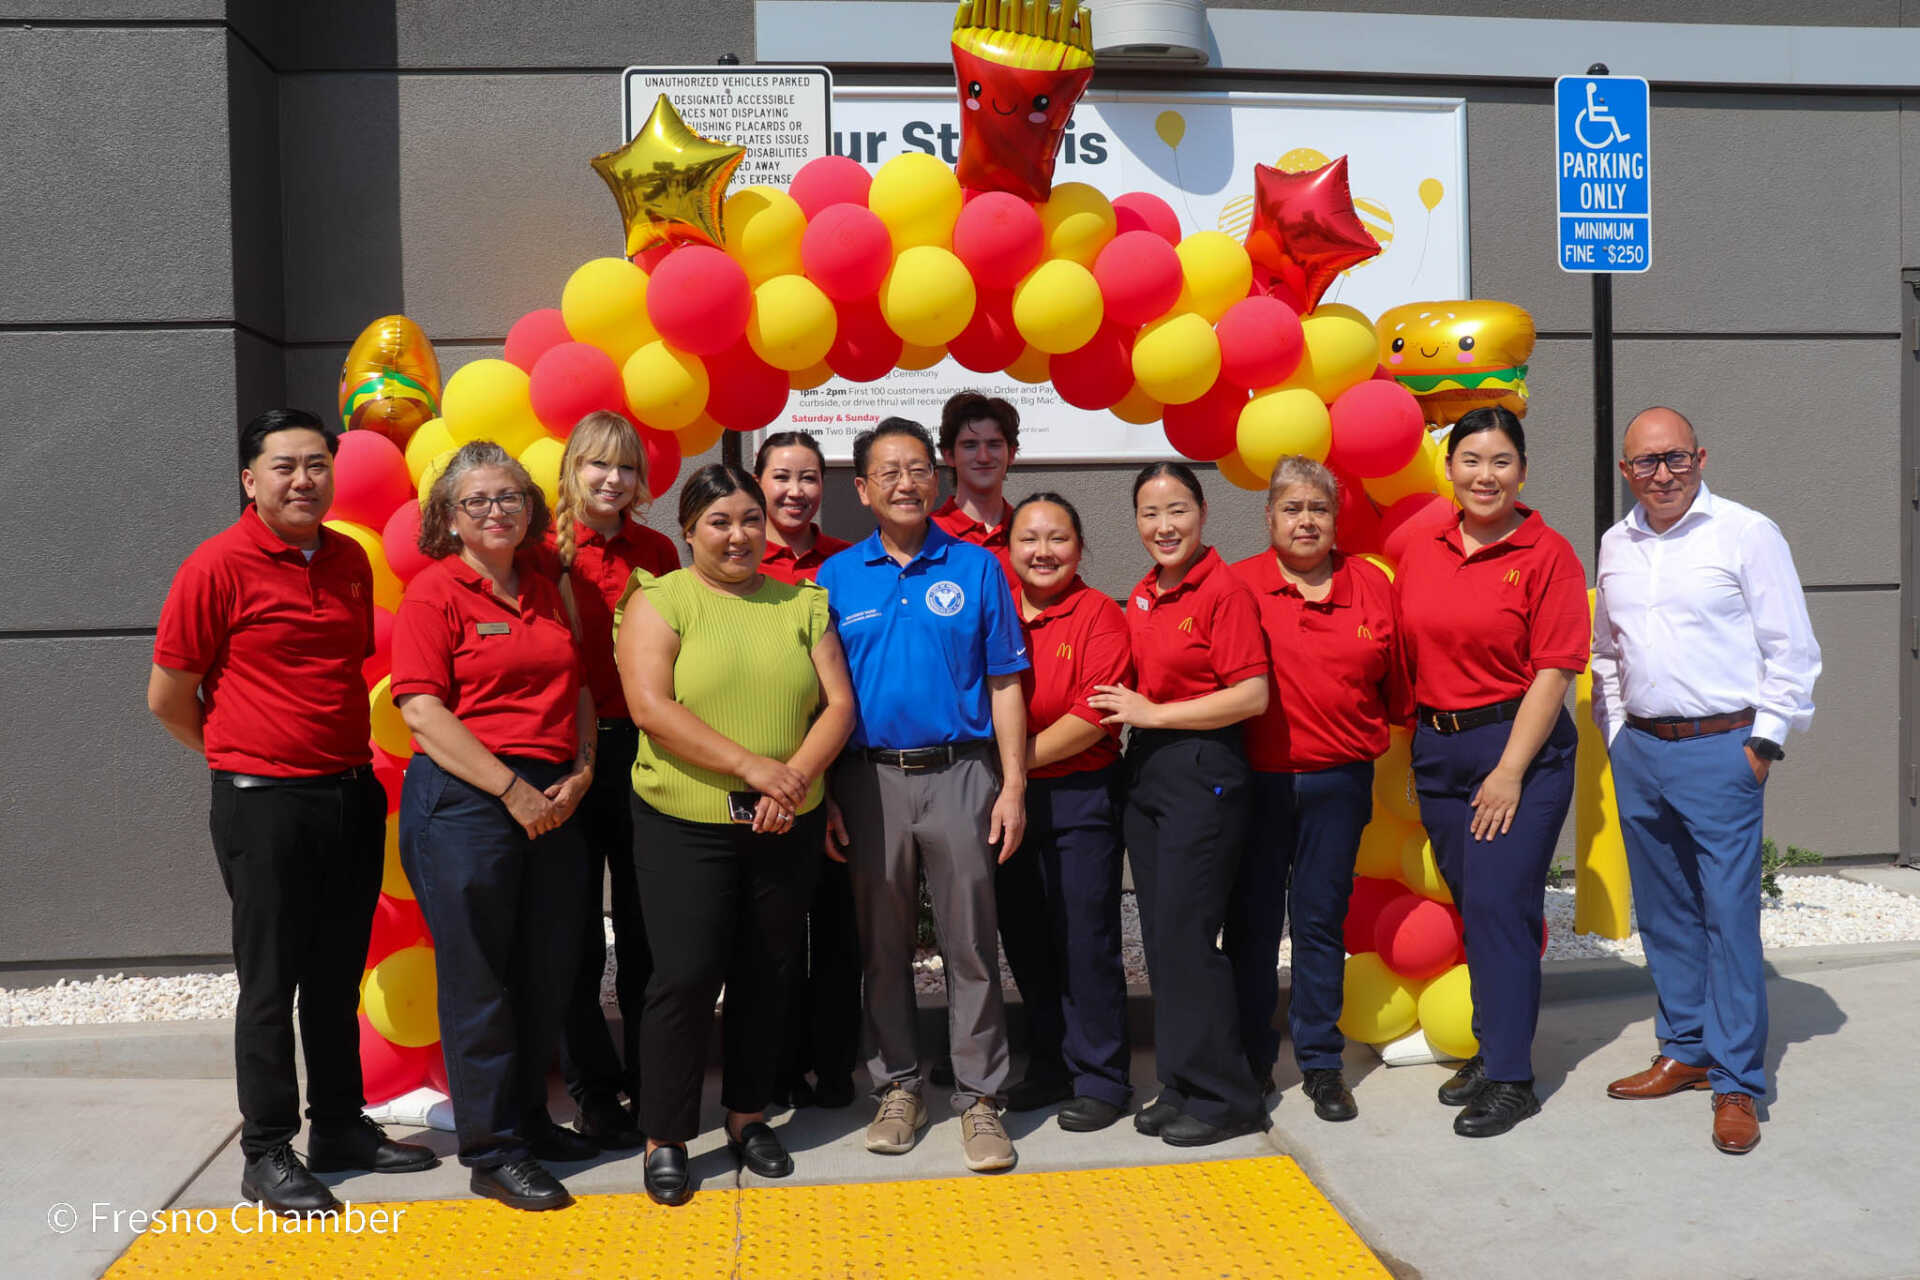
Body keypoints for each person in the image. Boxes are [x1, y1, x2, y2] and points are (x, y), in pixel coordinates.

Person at [149, 409, 436, 1217]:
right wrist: (241, 755)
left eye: (316, 464)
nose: (303, 480)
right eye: (285, 466)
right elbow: (168, 697)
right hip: (264, 803)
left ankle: (339, 1126)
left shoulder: (347, 559)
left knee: (336, 978)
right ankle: (268, 1149)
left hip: (347, 792)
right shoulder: (215, 566)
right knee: (271, 984)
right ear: (251, 480)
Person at [615, 464, 857, 1206]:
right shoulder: (660, 599)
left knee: (768, 970)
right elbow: (651, 707)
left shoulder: (802, 603)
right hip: (685, 825)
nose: (739, 535)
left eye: (751, 519)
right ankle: (665, 1135)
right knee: (684, 977)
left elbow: (839, 705)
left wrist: (794, 781)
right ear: (689, 530)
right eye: (719, 522)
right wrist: (755, 770)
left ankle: (748, 1114)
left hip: (787, 820)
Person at [1592, 407, 1820, 1155]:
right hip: (1642, 751)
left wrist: (1764, 744)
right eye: (1645, 462)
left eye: (1675, 459)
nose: (1661, 474)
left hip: (1723, 750)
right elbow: (1607, 652)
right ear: (1626, 470)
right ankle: (1686, 1048)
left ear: (1700, 458)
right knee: (1664, 915)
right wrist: (1617, 733)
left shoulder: (1746, 534)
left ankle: (1736, 1082)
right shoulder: (1615, 544)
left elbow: (1791, 649)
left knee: (1727, 918)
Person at [815, 417, 1030, 1174]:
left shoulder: (976, 568)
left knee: (971, 941)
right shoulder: (835, 578)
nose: (906, 483)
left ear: (936, 480)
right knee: (883, 944)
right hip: (867, 779)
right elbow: (819, 696)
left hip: (961, 773)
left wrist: (1012, 784)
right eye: (889, 472)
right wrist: (827, 792)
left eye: (917, 469)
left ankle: (980, 1097)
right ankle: (899, 1086)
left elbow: (1005, 682)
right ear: (863, 488)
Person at [392, 441, 597, 1211]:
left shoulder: (544, 588)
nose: (495, 510)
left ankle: (530, 1121)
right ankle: (493, 1151)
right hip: (468, 802)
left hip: (554, 796)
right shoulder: (433, 593)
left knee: (546, 970)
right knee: (479, 979)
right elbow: (421, 711)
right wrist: (512, 790)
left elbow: (577, 685)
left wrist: (583, 770)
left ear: (530, 508)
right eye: (476, 500)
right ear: (449, 517)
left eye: (509, 496)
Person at [1394, 406, 1590, 1139]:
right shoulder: (1425, 549)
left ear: (1523, 471)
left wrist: (1509, 771)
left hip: (1518, 752)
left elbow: (1555, 671)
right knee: (1474, 906)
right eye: (1471, 460)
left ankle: (1512, 1079)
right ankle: (1492, 1044)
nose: (1485, 475)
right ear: (1449, 468)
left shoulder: (1548, 554)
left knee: (1503, 908)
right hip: (1440, 751)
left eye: (1501, 461)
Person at [1090, 462, 1270, 1147]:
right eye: (1150, 513)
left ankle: (1230, 1097)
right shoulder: (1144, 592)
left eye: (1177, 511)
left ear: (1202, 513)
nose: (1164, 526)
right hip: (1151, 773)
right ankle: (1183, 1082)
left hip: (1204, 769)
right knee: (1163, 941)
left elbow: (1251, 695)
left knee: (1190, 938)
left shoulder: (1224, 590)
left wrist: (1155, 713)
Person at [1228, 456, 1409, 1123]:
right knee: (1251, 926)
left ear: (1335, 518)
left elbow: (1397, 688)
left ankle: (1321, 1062)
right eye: (1292, 508)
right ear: (1269, 517)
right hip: (1256, 782)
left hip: (1339, 782)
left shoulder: (1371, 585)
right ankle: (1250, 1058)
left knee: (1319, 921)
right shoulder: (1237, 585)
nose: (1306, 521)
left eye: (1319, 509)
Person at [541, 410, 681, 1151]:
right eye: (598, 464)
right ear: (572, 468)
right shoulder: (539, 551)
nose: (613, 479)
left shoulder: (657, 551)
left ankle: (653, 1083)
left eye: (626, 467)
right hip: (565, 760)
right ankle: (595, 1094)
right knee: (573, 939)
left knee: (646, 929)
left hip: (646, 754)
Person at [931, 392, 1064, 1105]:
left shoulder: (1034, 528)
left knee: (1030, 917)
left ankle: (1049, 1054)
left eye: (994, 443)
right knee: (961, 921)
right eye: (968, 444)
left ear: (1012, 453)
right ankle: (963, 1053)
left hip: (1034, 750)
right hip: (957, 757)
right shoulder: (930, 536)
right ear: (948, 455)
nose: (982, 455)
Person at [1005, 492, 1136, 1132]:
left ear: (1080, 547)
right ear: (1008, 549)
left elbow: (1094, 714)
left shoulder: (1100, 615)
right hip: (1007, 800)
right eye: (1028, 539)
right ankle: (1050, 1064)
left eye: (1057, 538)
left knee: (1085, 939)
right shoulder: (996, 608)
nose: (1043, 552)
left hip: (1079, 795)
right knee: (1026, 938)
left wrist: (1011, 763)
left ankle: (1102, 1077)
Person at [754, 431, 861, 1112]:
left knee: (840, 929)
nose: (796, 492)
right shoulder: (734, 560)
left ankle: (837, 1064)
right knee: (776, 932)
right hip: (765, 771)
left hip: (840, 762)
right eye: (782, 477)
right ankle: (779, 1066)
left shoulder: (845, 564)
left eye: (809, 478)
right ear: (758, 481)